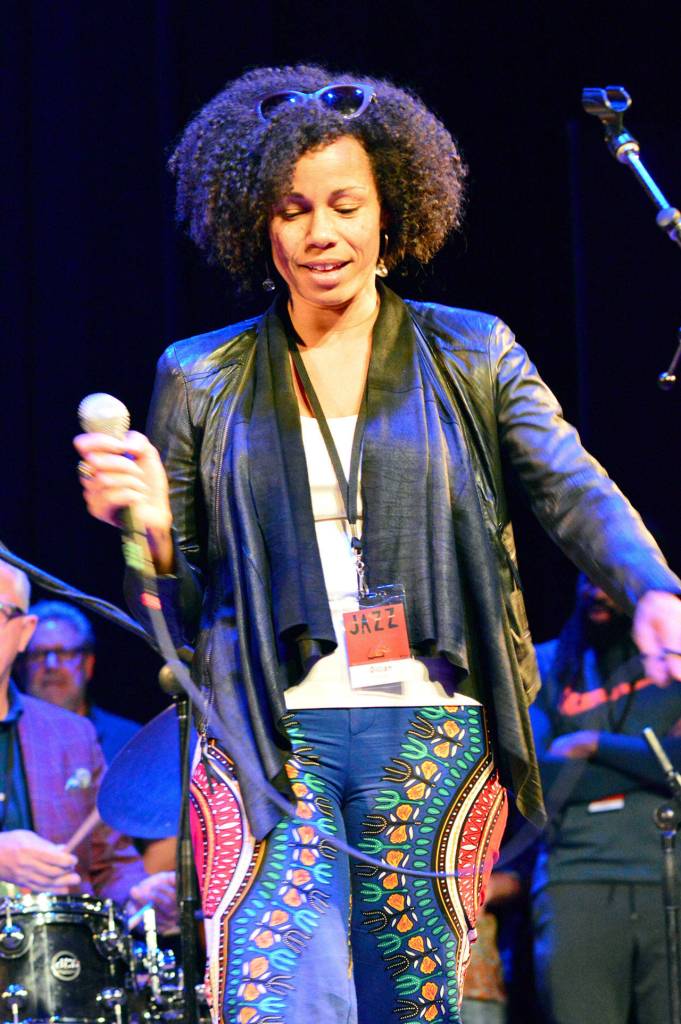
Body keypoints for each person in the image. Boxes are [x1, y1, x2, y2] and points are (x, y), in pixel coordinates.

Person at [73, 65, 681, 1024]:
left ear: (390, 216)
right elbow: (180, 599)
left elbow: (568, 483)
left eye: (344, 205)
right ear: (256, 227)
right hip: (260, 732)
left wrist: (649, 585)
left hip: (432, 727)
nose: (321, 233)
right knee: (276, 997)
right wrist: (147, 527)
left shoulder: (472, 350)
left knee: (414, 1001)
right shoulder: (196, 375)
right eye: (292, 209)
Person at [531, 575, 681, 1024]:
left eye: (609, 581)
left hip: (669, 878)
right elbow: (538, 776)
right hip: (575, 879)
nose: (598, 592)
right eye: (586, 578)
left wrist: (592, 743)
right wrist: (653, 767)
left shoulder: (674, 660)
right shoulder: (547, 664)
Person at [0, 560, 176, 927]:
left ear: (24, 632)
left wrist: (137, 897)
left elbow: (109, 866)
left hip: (54, 965)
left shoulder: (72, 735)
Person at [23, 599, 141, 765]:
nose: (51, 665)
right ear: (22, 666)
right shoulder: (8, 740)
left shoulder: (129, 743)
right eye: (39, 654)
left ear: (87, 664)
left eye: (63, 653)